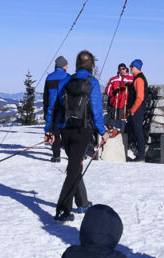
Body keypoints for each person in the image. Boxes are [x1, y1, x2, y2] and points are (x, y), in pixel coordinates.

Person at [45, 50, 106, 222]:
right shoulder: (92, 82)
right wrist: (103, 131)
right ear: (91, 65)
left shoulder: (65, 81)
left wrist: (49, 130)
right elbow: (97, 111)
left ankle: (82, 202)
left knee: (74, 165)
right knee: (73, 169)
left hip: (65, 129)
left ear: (77, 64)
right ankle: (63, 210)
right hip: (82, 130)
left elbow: (53, 107)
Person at [42, 56, 71, 162]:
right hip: (64, 108)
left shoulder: (49, 78)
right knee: (66, 133)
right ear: (64, 66)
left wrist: (46, 112)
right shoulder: (68, 77)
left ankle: (56, 156)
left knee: (55, 133)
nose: (68, 67)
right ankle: (71, 155)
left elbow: (45, 97)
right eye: (67, 65)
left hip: (52, 109)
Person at [126, 59, 149, 162]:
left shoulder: (139, 79)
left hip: (137, 110)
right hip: (137, 109)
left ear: (137, 68)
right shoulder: (137, 78)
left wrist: (132, 109)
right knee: (135, 130)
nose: (130, 68)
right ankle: (139, 153)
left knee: (138, 132)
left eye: (132, 66)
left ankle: (141, 156)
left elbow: (140, 97)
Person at [104, 63, 133, 132]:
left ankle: (123, 133)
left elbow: (135, 91)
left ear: (126, 69)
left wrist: (130, 87)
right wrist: (113, 92)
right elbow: (107, 90)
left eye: (123, 69)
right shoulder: (113, 79)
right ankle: (111, 132)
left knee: (123, 121)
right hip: (114, 104)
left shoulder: (131, 79)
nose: (122, 70)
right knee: (113, 121)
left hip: (125, 104)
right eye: (120, 69)